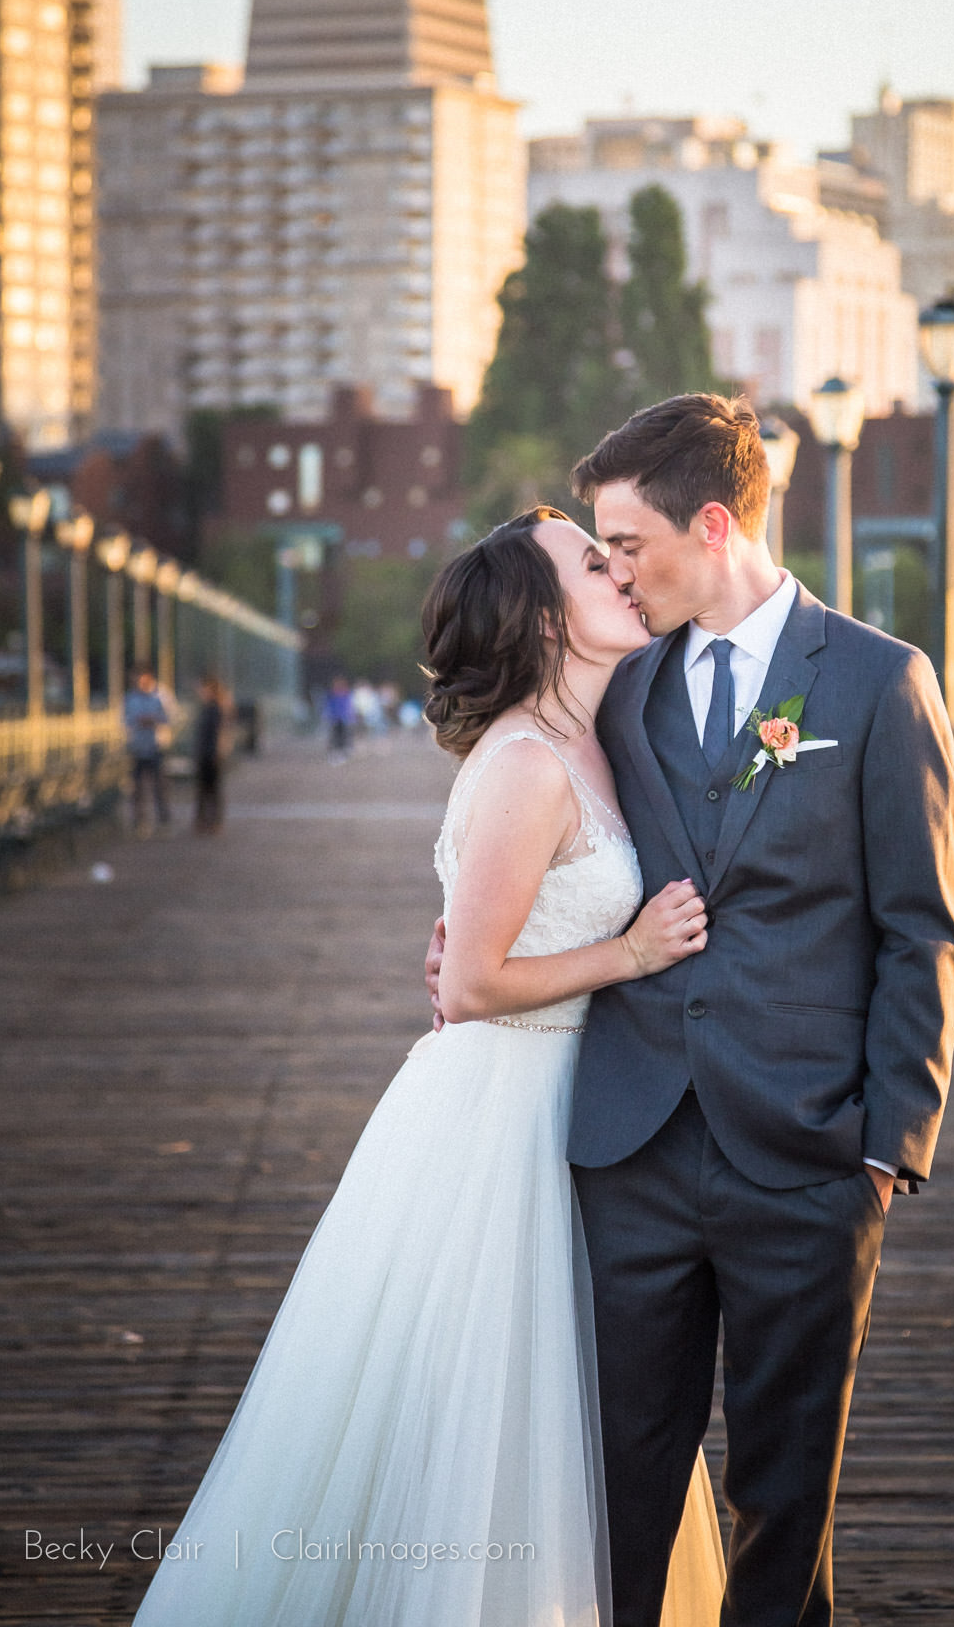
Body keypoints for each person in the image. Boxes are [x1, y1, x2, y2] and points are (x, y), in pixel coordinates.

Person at [131, 507, 725, 1627]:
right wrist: (630, 950)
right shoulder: (522, 764)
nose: (621, 576)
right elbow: (468, 987)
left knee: (588, 1409)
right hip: (502, 1118)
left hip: (585, 1110)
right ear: (547, 621)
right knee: (492, 1405)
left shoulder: (608, 732)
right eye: (594, 566)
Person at [433, 394, 954, 1625]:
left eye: (627, 544)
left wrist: (888, 1145)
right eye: (603, 553)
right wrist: (463, 920)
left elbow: (923, 927)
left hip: (809, 1157)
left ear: (712, 523)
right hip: (631, 1152)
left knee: (785, 1503)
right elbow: (537, 793)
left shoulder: (883, 683)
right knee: (618, 1491)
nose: (613, 570)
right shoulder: (623, 686)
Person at [124, 666, 172, 836]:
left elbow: (172, 717)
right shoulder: (130, 698)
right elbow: (125, 720)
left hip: (157, 746)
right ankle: (140, 822)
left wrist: (155, 720)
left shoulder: (161, 695)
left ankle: (164, 821)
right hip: (137, 747)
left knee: (160, 786)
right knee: (137, 788)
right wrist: (137, 722)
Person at [193, 675, 230, 834]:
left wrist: (216, 752)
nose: (200, 691)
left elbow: (219, 733)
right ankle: (204, 821)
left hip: (211, 755)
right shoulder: (207, 708)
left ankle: (213, 821)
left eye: (203, 688)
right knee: (204, 790)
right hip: (205, 754)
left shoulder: (215, 708)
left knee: (212, 790)